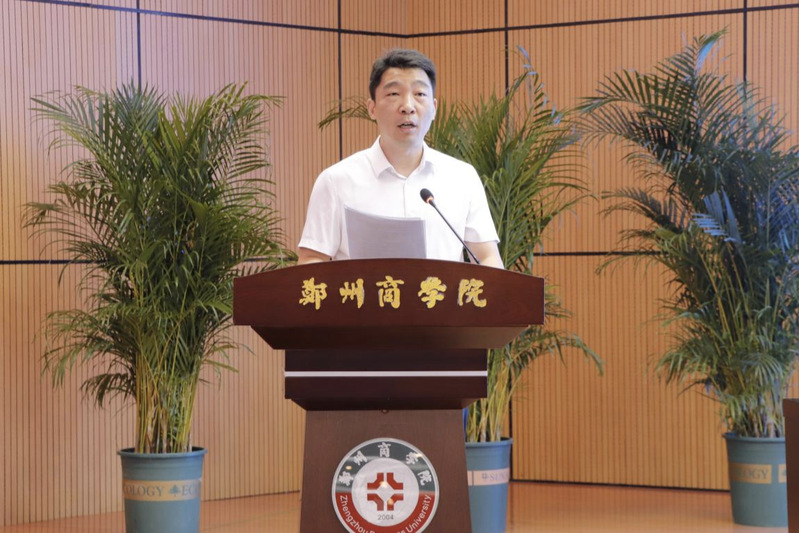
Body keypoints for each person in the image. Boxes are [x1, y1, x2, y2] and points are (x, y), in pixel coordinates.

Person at [297, 48, 503, 268]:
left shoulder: (462, 177)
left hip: (440, 292)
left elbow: (487, 257)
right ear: (372, 108)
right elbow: (311, 259)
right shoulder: (336, 181)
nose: (408, 107)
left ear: (434, 108)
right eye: (394, 94)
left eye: (419, 94)